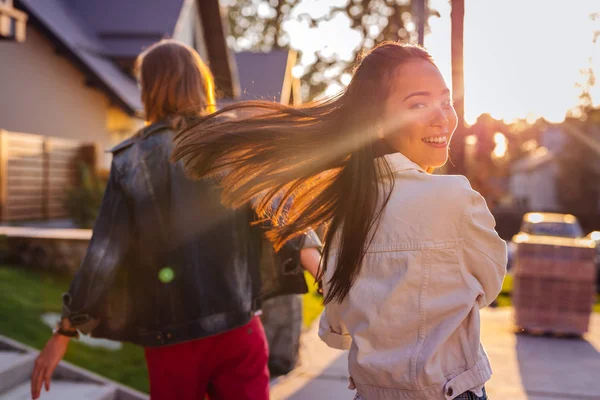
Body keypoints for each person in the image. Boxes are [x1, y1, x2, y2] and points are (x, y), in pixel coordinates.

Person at [171, 41, 507, 400]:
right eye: (419, 104)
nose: (443, 117)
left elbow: (339, 324)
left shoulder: (348, 212)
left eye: (446, 100)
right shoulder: (456, 198)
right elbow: (488, 284)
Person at [30, 40, 321, 400]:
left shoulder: (131, 159)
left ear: (152, 89)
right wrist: (321, 266)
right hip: (239, 328)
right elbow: (279, 211)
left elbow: (103, 258)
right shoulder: (232, 143)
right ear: (200, 83)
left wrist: (64, 332)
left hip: (171, 342)